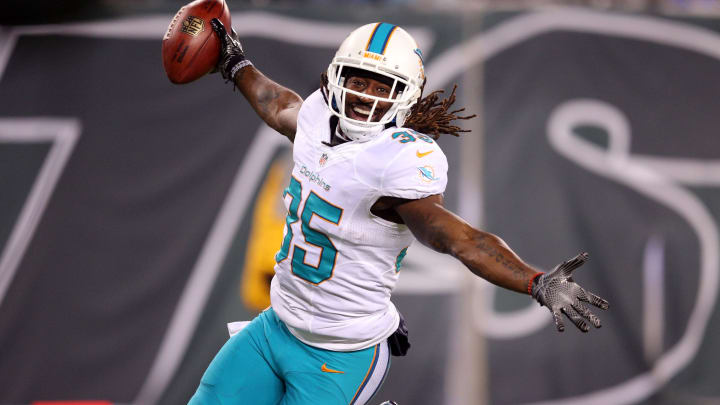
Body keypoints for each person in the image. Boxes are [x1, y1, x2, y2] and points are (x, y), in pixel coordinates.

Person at [188, 20, 609, 405]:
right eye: (357, 81)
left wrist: (533, 281)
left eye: (381, 86)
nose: (364, 97)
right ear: (336, 77)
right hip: (274, 326)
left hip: (341, 353)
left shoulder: (398, 159)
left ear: (403, 96)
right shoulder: (317, 115)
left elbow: (456, 238)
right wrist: (234, 62)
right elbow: (278, 105)